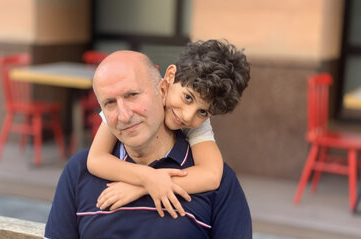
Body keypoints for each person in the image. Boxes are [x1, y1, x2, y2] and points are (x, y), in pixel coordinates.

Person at [12, 50, 255, 239]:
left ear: (162, 88)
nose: (124, 115)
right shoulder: (82, 170)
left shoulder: (213, 179)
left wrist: (144, 184)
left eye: (133, 95)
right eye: (110, 104)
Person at [87, 40, 250, 219]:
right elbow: (96, 159)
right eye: (187, 97)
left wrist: (141, 187)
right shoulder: (130, 104)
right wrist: (147, 178)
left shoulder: (195, 121)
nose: (188, 116)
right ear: (170, 76)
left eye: (203, 112)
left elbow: (211, 174)